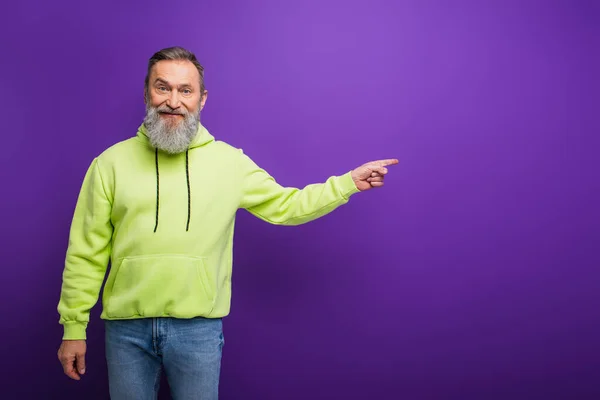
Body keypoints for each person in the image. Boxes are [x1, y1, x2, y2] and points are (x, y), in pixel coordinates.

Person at [56, 46, 398, 399]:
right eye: (163, 87)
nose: (173, 100)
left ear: (201, 99)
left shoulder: (229, 163)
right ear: (147, 93)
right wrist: (73, 327)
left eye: (185, 90)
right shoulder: (109, 164)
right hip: (125, 331)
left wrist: (346, 184)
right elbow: (85, 251)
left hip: (199, 331)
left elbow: (287, 205)